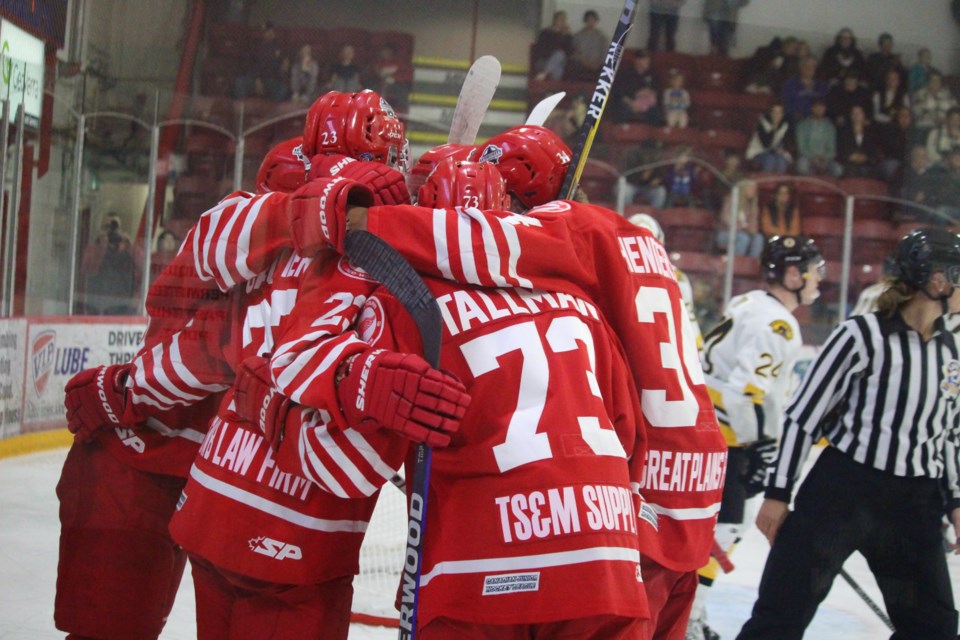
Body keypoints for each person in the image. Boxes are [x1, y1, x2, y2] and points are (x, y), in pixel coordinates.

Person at [55, 91, 411, 640]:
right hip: (143, 461)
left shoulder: (314, 265)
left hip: (210, 478)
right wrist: (123, 390)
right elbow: (205, 344)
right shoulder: (242, 227)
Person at [738, 228, 960, 640]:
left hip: (915, 505)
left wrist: (956, 504)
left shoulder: (952, 351)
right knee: (779, 617)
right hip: (842, 494)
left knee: (936, 630)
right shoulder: (861, 336)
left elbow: (948, 436)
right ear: (937, 280)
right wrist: (777, 494)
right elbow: (804, 416)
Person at [688, 235, 824, 640]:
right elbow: (742, 394)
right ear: (794, 273)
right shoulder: (778, 325)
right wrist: (761, 445)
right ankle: (687, 623)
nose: (820, 279)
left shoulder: (749, 303)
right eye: (815, 270)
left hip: (703, 432)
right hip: (727, 442)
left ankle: (687, 617)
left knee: (710, 532)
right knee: (721, 533)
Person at [79, 213, 143, 315]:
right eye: (107, 227)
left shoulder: (130, 249)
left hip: (124, 302)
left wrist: (129, 244)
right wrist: (101, 247)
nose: (111, 231)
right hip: (97, 301)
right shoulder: (93, 249)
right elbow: (87, 271)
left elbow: (142, 269)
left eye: (114, 227)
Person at [233, 22, 289, 101]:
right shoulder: (255, 46)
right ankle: (242, 108)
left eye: (272, 32)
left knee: (283, 88)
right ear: (263, 33)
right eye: (268, 32)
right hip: (254, 79)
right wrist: (257, 79)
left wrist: (285, 64)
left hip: (270, 80)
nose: (270, 34)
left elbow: (283, 64)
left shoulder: (278, 47)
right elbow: (249, 64)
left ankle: (271, 110)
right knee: (239, 82)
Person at [794, 98, 842, 177]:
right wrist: (813, 158)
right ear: (812, 108)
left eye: (821, 107)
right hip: (807, 158)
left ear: (825, 109)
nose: (819, 110)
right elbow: (801, 147)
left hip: (824, 160)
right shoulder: (802, 125)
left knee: (838, 170)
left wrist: (824, 159)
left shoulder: (830, 127)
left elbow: (832, 149)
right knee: (801, 167)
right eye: (817, 107)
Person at [716, 179, 764, 258]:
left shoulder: (753, 206)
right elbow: (725, 218)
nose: (753, 191)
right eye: (751, 188)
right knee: (743, 238)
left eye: (754, 189)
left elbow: (754, 225)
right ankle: (736, 263)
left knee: (758, 238)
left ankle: (751, 264)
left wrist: (750, 228)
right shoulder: (731, 200)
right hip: (726, 232)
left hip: (744, 232)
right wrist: (740, 227)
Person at [613, 49, 661, 125]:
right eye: (644, 59)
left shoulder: (651, 74)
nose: (647, 61)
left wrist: (648, 94)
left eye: (648, 59)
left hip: (646, 104)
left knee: (656, 112)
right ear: (637, 60)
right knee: (622, 109)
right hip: (629, 103)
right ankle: (623, 132)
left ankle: (649, 135)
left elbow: (656, 91)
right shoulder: (626, 74)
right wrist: (632, 103)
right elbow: (619, 93)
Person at [746, 103, 793, 173]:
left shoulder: (784, 126)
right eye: (774, 112)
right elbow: (766, 144)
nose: (777, 115)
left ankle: (778, 183)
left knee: (781, 160)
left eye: (779, 112)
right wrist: (773, 128)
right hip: (758, 153)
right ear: (770, 113)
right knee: (770, 159)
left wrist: (782, 150)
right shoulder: (762, 125)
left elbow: (784, 144)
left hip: (775, 153)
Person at [836, 104, 881, 178]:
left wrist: (865, 157)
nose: (856, 115)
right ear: (851, 116)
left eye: (859, 113)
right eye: (854, 113)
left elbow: (875, 150)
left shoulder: (871, 132)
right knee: (850, 171)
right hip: (849, 163)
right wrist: (850, 156)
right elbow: (840, 149)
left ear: (864, 115)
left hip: (867, 164)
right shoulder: (844, 131)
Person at [780, 55, 828, 122]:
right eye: (806, 66)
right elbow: (786, 103)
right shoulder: (790, 84)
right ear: (800, 68)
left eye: (812, 66)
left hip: (817, 120)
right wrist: (795, 114)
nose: (810, 69)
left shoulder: (821, 85)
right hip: (796, 119)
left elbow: (824, 103)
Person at [532, 10, 573, 81]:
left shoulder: (566, 35)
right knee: (559, 60)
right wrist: (560, 35)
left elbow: (569, 51)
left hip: (559, 61)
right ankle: (552, 88)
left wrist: (567, 36)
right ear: (554, 20)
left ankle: (544, 76)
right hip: (544, 61)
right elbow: (544, 50)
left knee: (560, 59)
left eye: (564, 19)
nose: (563, 21)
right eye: (561, 19)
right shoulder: (545, 33)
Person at [570, 10, 609, 80]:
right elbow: (575, 52)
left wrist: (598, 63)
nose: (591, 22)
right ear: (585, 21)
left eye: (593, 20)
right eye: (589, 20)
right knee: (574, 66)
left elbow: (605, 52)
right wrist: (585, 62)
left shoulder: (602, 36)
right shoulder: (578, 35)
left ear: (596, 21)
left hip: (597, 64)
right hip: (582, 63)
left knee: (607, 68)